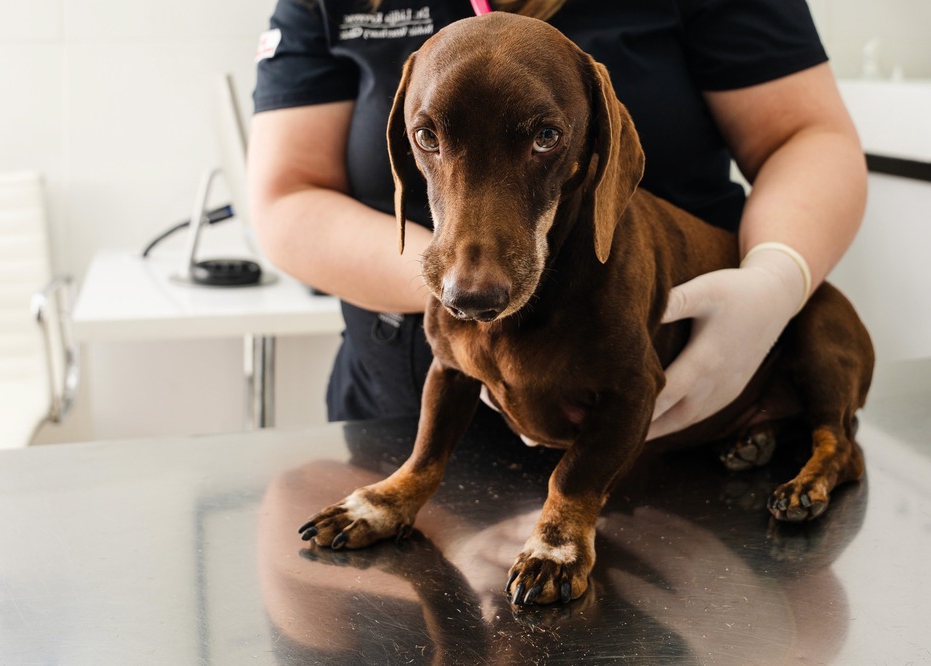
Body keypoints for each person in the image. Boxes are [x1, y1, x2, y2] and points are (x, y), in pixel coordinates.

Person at [247, 0, 867, 438]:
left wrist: (776, 279)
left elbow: (804, 134)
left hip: (674, 401)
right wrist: (469, 271)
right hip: (409, 411)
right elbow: (287, 197)